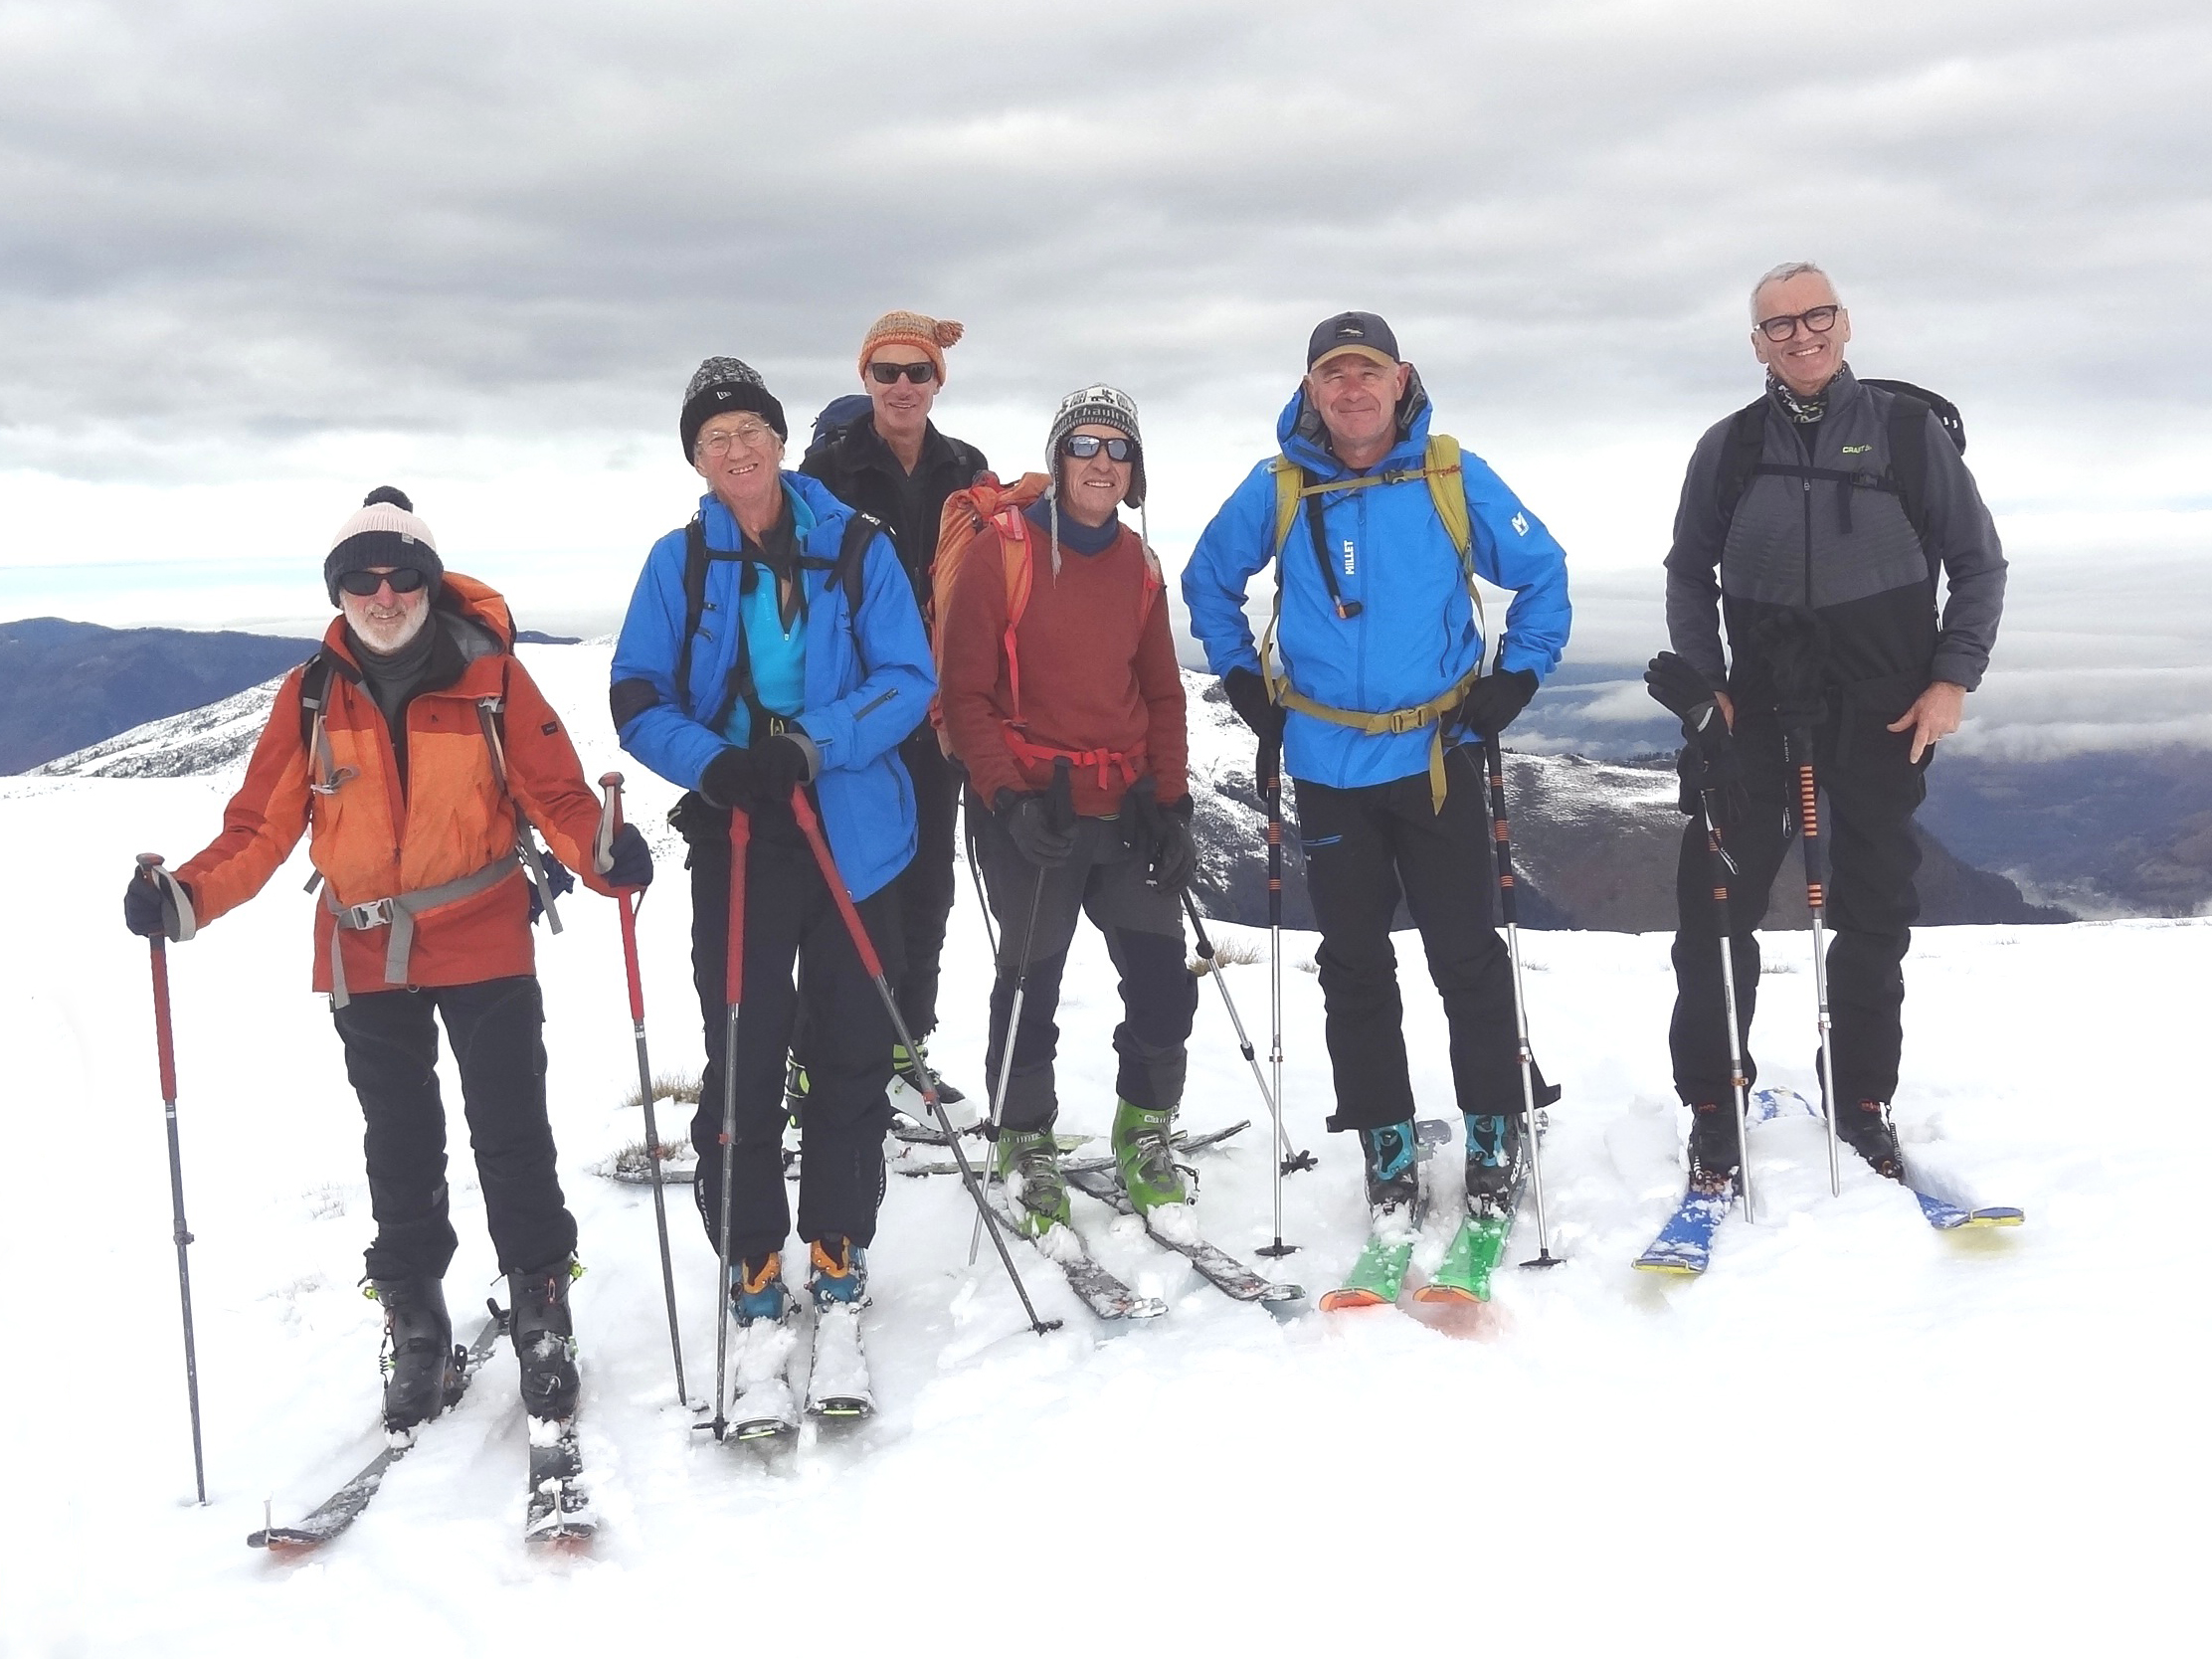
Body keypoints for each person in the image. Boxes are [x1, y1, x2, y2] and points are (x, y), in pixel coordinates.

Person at [121, 486, 648, 1434]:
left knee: (509, 1128)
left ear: (426, 582)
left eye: (402, 575)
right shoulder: (313, 693)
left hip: (483, 928)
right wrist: (187, 897)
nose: (383, 593)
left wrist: (604, 857)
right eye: (360, 580)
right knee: (399, 1145)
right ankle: (416, 1318)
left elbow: (558, 795)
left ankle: (540, 1305)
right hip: (365, 952)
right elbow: (262, 824)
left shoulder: (492, 678)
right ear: (338, 592)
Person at [1183, 312, 1571, 1232]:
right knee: (1353, 962)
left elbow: (1544, 572)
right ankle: (1384, 1134)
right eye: (1333, 377)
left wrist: (1516, 677)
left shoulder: (1449, 474)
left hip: (1438, 756)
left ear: (1402, 381)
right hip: (1326, 763)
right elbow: (1208, 579)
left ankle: (1492, 1122)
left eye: (1368, 375)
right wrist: (1242, 677)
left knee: (1466, 954)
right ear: (1311, 389)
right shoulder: (1279, 486)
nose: (1352, 392)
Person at [1648, 261, 2005, 1187]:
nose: (1801, 335)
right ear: (1757, 343)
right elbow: (1689, 573)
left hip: (1886, 705)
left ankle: (1859, 1095)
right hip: (1759, 701)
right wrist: (1711, 686)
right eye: (1779, 325)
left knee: (1875, 906)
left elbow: (1978, 561)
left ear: (1845, 324)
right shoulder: (1728, 448)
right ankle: (1715, 1103)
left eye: (1818, 317)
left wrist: (1951, 679)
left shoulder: (1906, 434)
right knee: (1717, 904)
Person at [609, 357, 935, 1330]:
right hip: (739, 832)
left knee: (849, 1045)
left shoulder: (856, 544)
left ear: (781, 442)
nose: (737, 449)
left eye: (751, 430)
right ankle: (751, 1250)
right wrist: (712, 763)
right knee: (744, 1049)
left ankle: (839, 1238)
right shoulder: (681, 561)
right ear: (697, 460)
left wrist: (808, 747)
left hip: (853, 832)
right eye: (717, 439)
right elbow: (636, 693)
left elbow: (906, 678)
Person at [936, 385, 1197, 1233]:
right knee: (1031, 983)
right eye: (1084, 445)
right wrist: (1006, 799)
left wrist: (1172, 801)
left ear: (1136, 470)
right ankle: (1021, 1136)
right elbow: (964, 694)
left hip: (1123, 807)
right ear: (1057, 458)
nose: (1101, 462)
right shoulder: (1001, 555)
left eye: (1118, 449)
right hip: (1032, 807)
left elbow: (1161, 692)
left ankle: (1144, 1125)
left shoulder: (1140, 566)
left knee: (1163, 987)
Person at [799, 310, 989, 1105]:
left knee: (927, 882)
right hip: (860, 704)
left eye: (918, 373)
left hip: (940, 704)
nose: (902, 386)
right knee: (847, 881)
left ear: (937, 382)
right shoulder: (827, 469)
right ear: (866, 378)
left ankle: (906, 1042)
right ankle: (820, 1052)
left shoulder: (968, 467)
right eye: (888, 372)